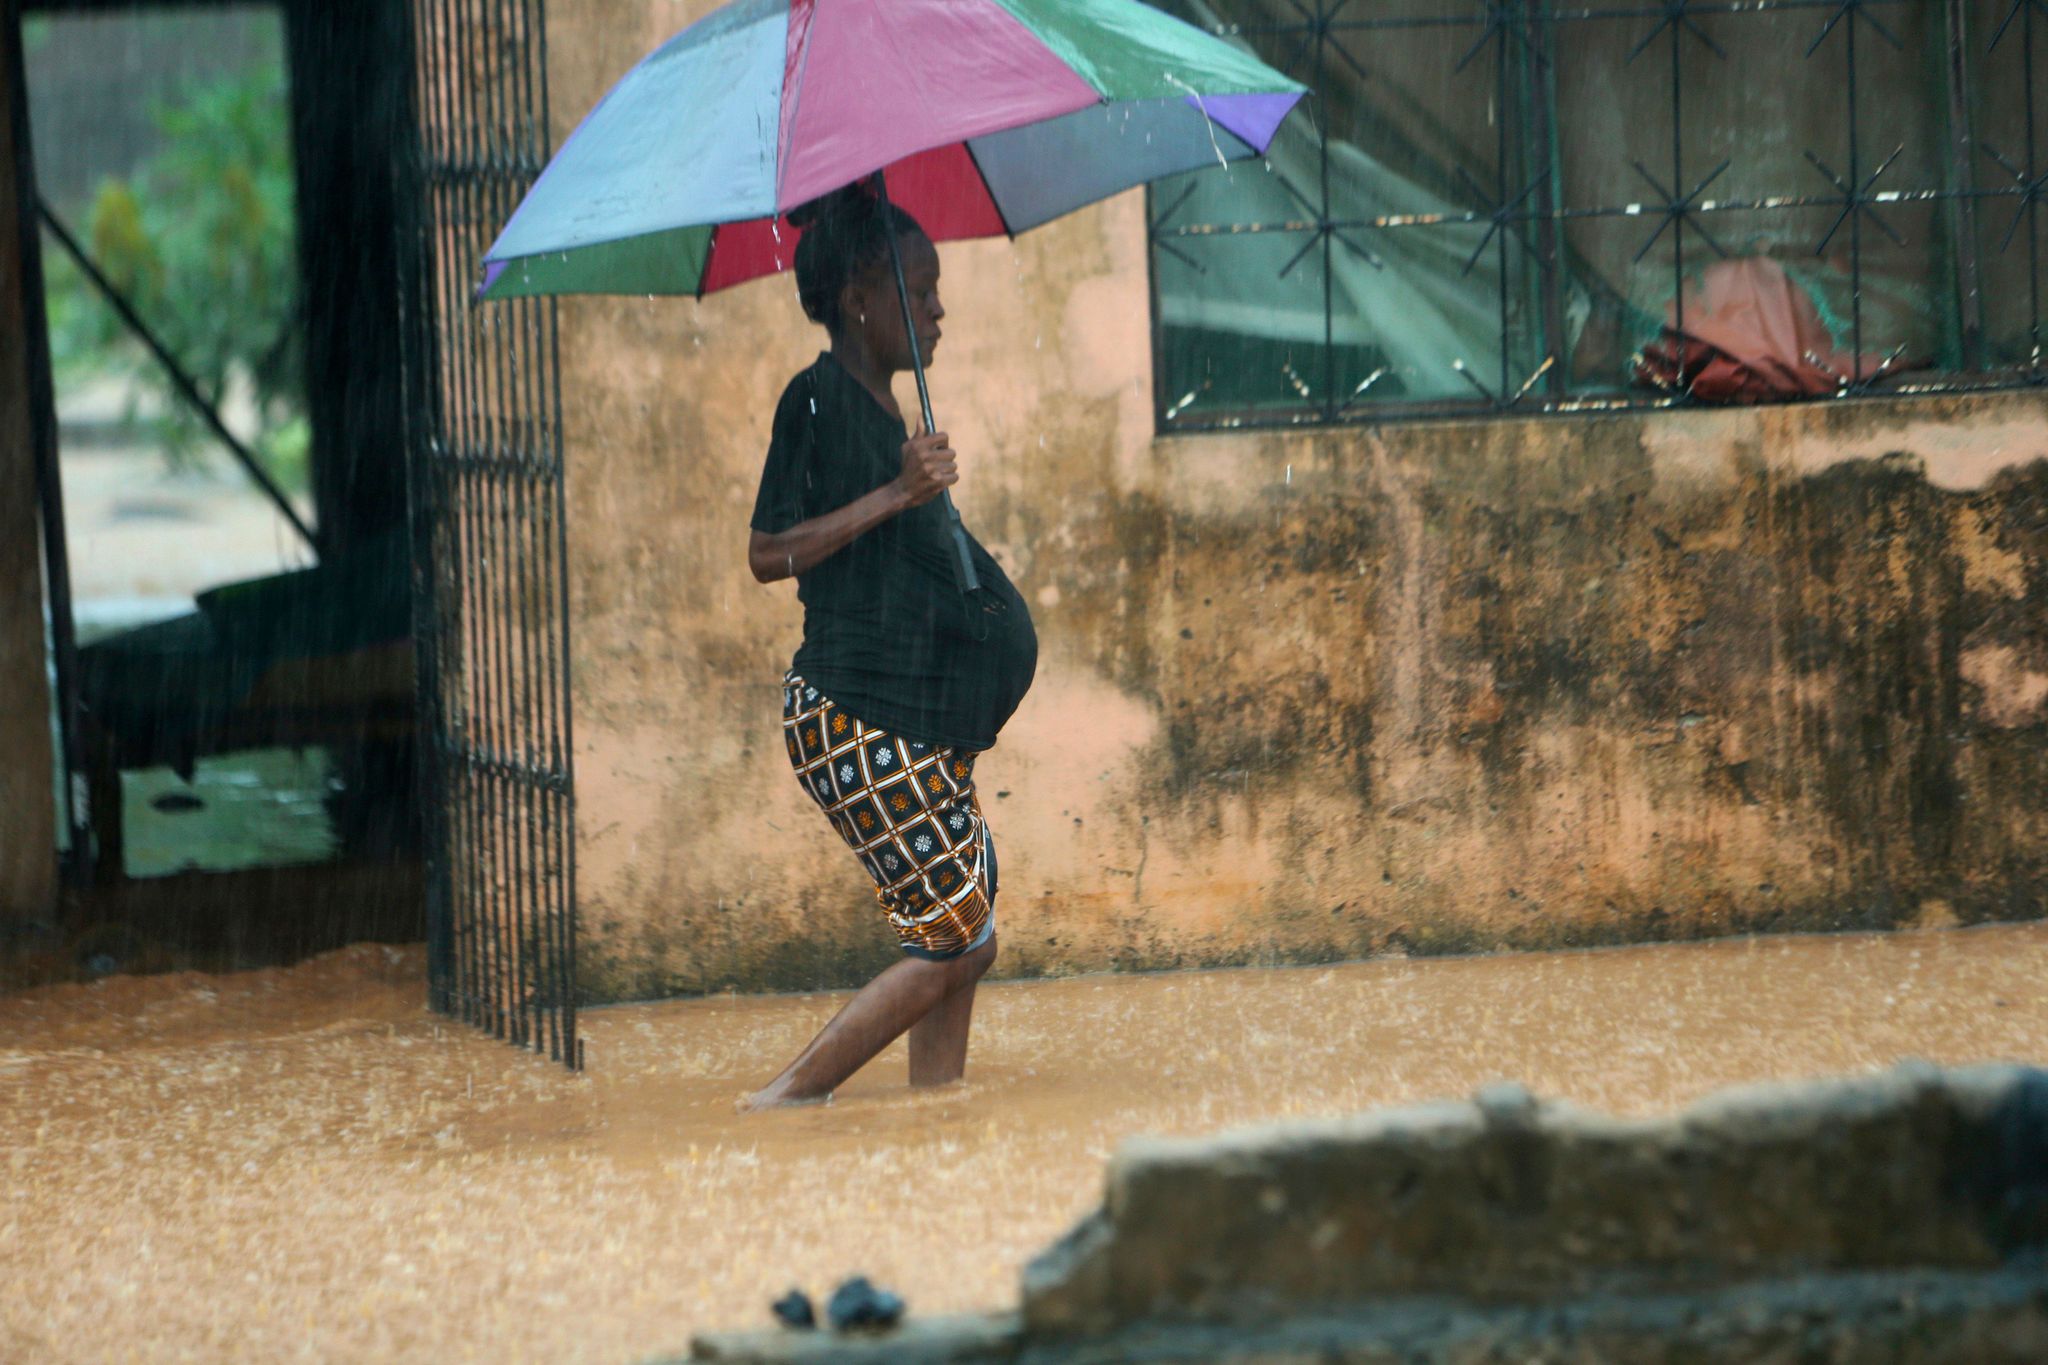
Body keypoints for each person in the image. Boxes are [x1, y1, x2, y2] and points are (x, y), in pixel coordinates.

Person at [738, 182, 1037, 1112]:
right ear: (862, 302)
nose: (939, 310)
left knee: (966, 930)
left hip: (916, 716)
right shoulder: (816, 402)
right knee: (955, 936)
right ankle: (786, 1100)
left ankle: (933, 1109)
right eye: (920, 290)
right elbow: (766, 554)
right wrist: (897, 496)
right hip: (856, 714)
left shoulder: (885, 418)